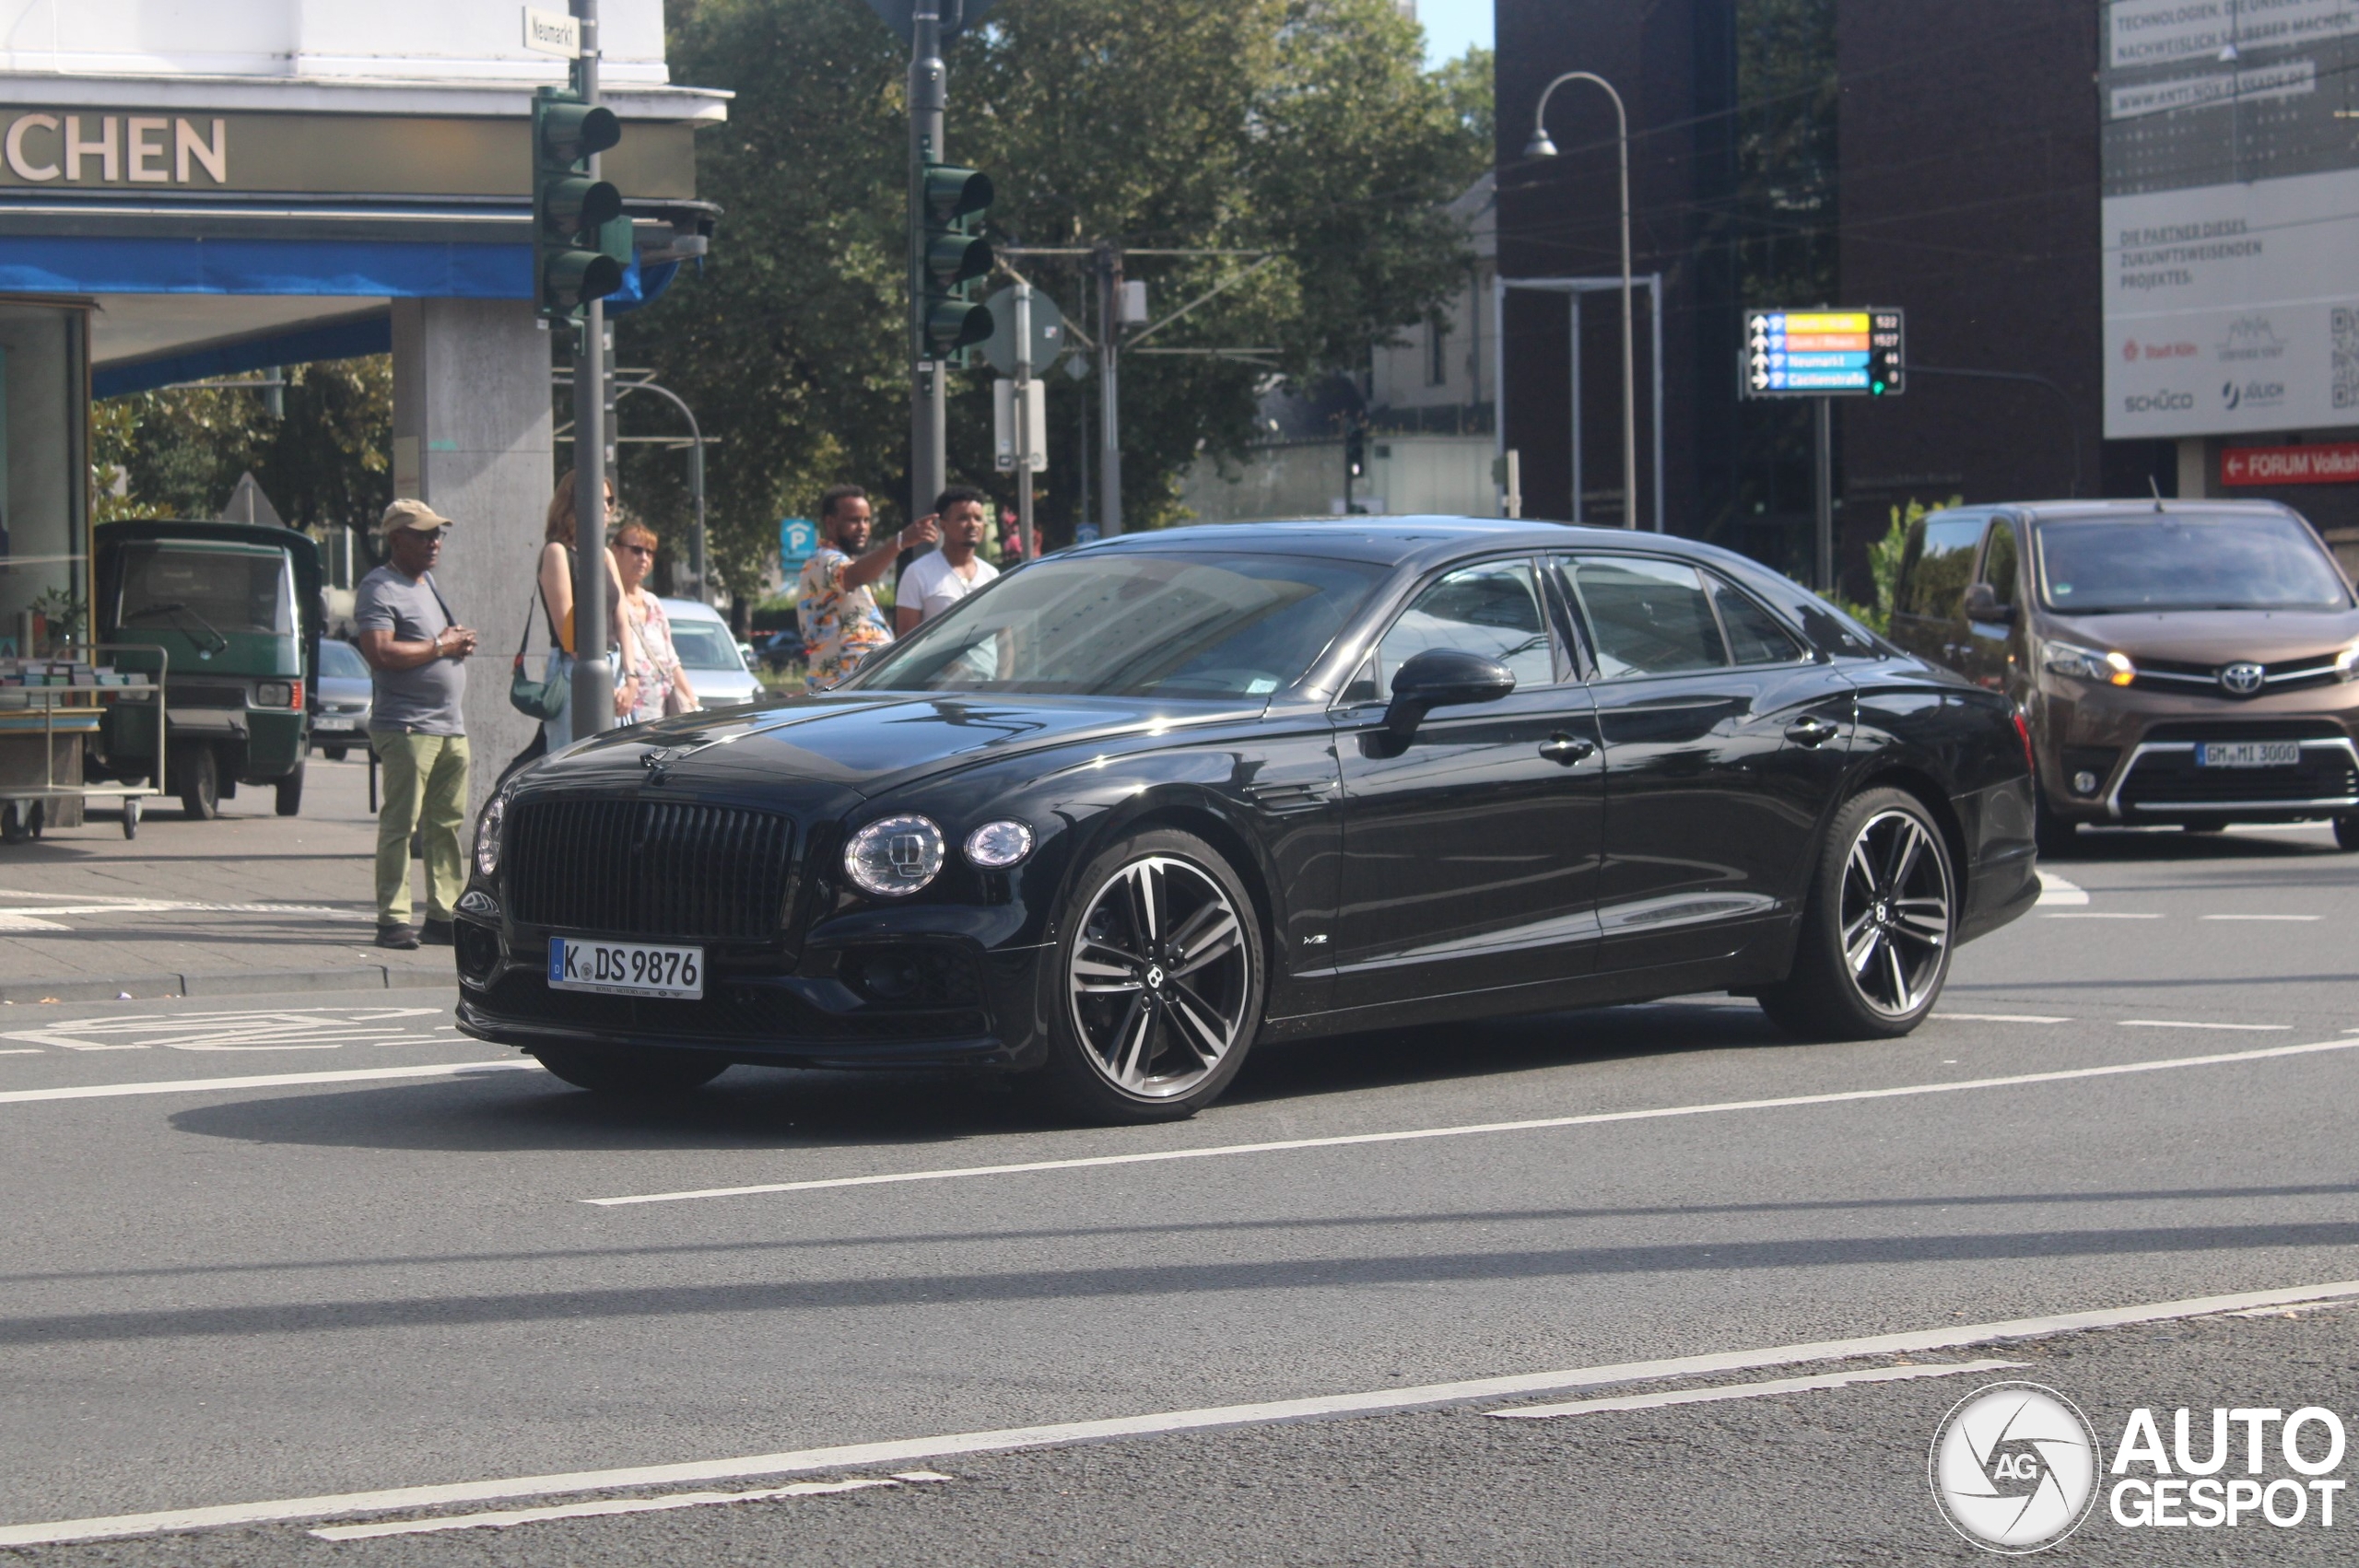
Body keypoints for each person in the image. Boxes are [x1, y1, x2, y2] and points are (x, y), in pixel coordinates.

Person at [355, 499, 477, 951]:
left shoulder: (428, 584)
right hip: (406, 727)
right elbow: (381, 652)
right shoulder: (378, 587)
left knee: (446, 825)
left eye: (438, 534)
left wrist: (456, 644)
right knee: (401, 825)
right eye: (424, 535)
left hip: (449, 726)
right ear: (396, 538)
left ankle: (443, 914)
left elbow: (434, 644)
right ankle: (392, 918)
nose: (434, 542)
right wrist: (441, 648)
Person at [535, 471, 639, 749]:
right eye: (600, 500)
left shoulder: (605, 554)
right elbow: (568, 633)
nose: (607, 508)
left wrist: (631, 678)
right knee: (576, 761)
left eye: (610, 500)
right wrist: (600, 681)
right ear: (574, 504)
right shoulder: (557, 552)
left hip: (614, 665)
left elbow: (622, 621)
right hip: (576, 669)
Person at [797, 484, 936, 690]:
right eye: (853, 520)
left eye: (866, 520)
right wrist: (900, 542)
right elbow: (853, 576)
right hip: (840, 687)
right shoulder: (823, 561)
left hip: (859, 685)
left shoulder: (842, 561)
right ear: (830, 522)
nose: (862, 527)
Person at [613, 520, 698, 723]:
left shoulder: (653, 603)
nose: (644, 558)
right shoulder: (609, 600)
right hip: (623, 713)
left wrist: (693, 705)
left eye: (649, 553)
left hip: (660, 716)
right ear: (615, 551)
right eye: (636, 550)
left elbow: (671, 663)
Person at [895, 485, 999, 634]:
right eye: (963, 518)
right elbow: (906, 639)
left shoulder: (992, 575)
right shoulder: (918, 572)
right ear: (943, 525)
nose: (972, 525)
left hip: (986, 658)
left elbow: (1003, 632)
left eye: (978, 518)